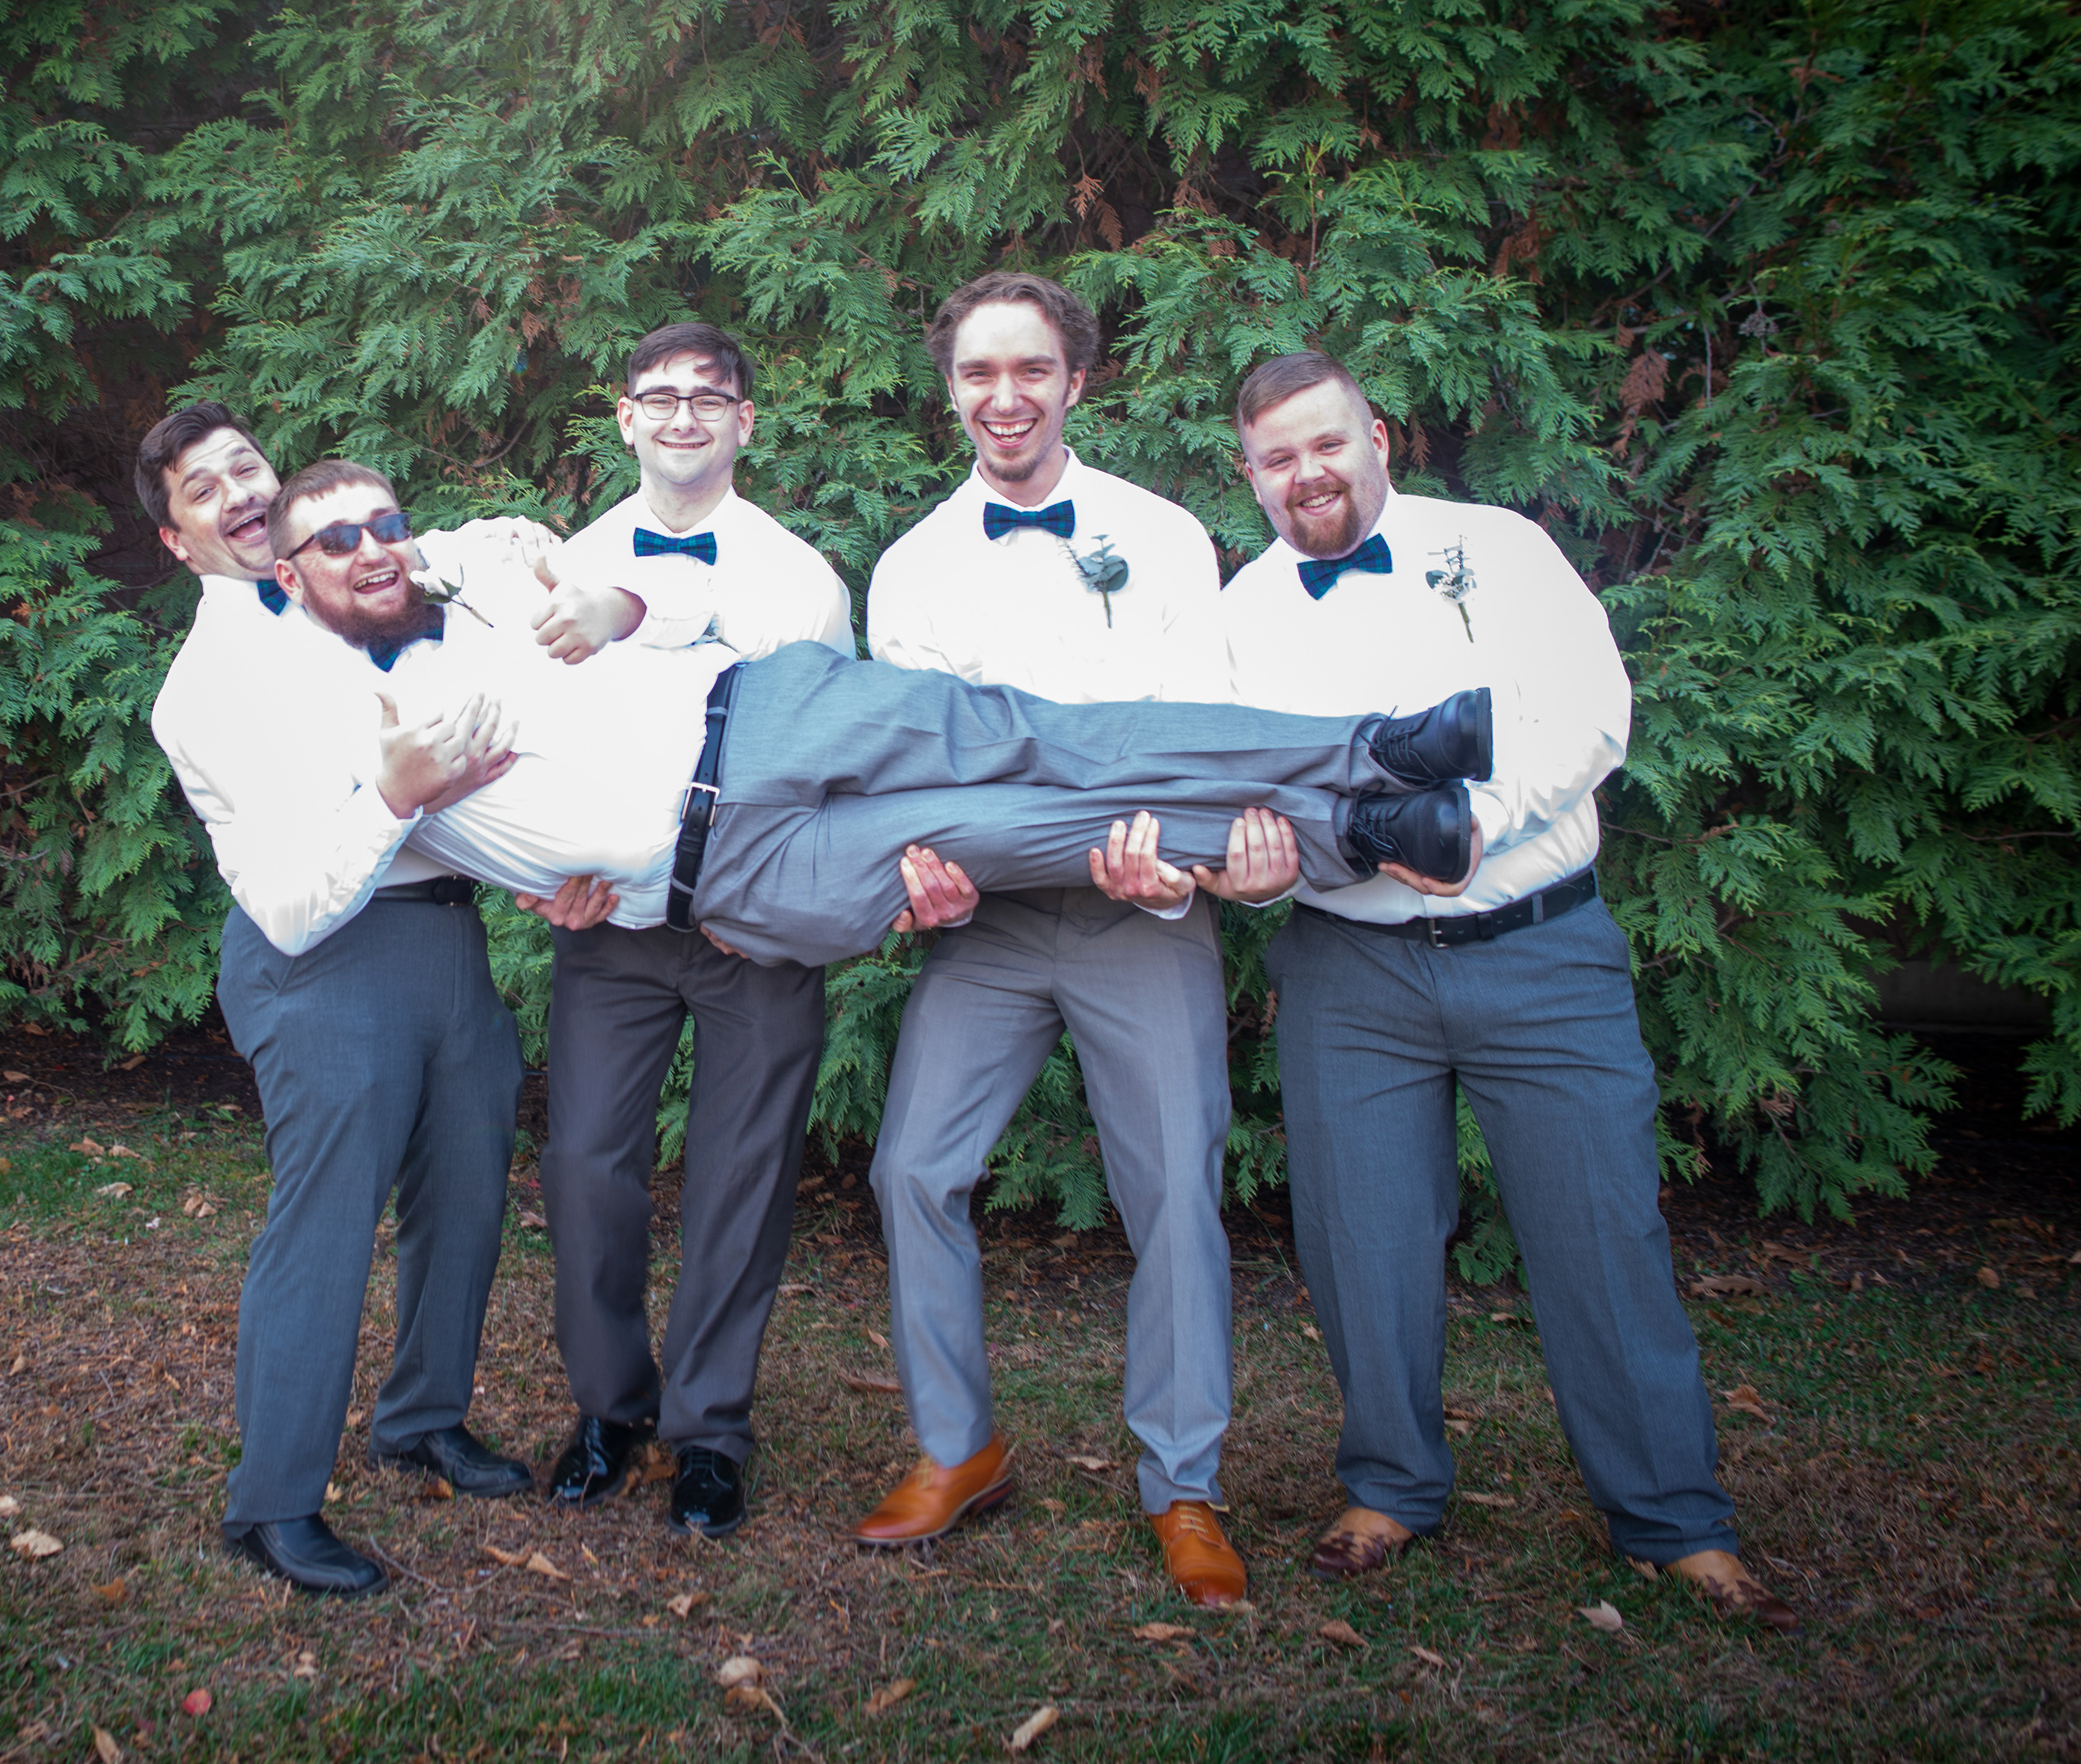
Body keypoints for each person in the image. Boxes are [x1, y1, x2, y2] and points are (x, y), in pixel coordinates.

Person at [1215, 350, 1798, 1632]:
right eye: (1277, 458)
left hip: (1541, 950)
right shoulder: (1242, 612)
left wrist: (1477, 823)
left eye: (1327, 443)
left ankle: (1672, 1516)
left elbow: (1592, 713)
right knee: (1361, 1240)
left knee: (1602, 1229)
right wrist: (1253, 880)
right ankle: (1390, 1484)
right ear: (1249, 476)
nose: (1308, 474)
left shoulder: (1499, 548)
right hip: (1349, 969)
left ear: (1378, 436)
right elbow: (1248, 798)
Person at [246, 458, 1494, 973]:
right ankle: (1369, 833)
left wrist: (583, 589)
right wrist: (396, 799)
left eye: (384, 523)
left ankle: (1379, 749)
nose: (373, 548)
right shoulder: (325, 724)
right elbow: (293, 913)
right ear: (288, 577)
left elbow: (665, 592)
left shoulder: (480, 570)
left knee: (1051, 736)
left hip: (766, 712)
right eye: (336, 541)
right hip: (733, 875)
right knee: (1045, 833)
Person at [139, 402, 646, 1598]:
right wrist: (400, 798)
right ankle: (272, 1504)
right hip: (322, 965)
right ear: (176, 539)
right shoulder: (207, 685)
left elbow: (485, 593)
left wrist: (535, 863)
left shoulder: (344, 591)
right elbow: (292, 898)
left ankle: (422, 1418)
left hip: (444, 940)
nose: (239, 493)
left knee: (465, 1198)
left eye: (246, 467)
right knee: (324, 1227)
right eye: (204, 490)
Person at [849, 271, 1277, 1607]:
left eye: (1031, 369)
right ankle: (957, 1446)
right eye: (980, 373)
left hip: (1142, 911)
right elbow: (922, 766)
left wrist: (1168, 868)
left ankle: (1185, 1483)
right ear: (950, 391)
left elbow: (1197, 725)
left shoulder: (1162, 536)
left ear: (1076, 382)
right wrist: (931, 876)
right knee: (914, 1169)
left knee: (1176, 1197)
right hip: (987, 926)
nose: (1006, 396)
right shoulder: (912, 567)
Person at [511, 324, 858, 1539]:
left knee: (739, 1181)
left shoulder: (803, 580)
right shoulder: (566, 568)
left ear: (746, 421)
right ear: (623, 417)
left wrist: (798, 902)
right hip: (611, 927)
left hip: (755, 934)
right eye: (657, 396)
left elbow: (837, 760)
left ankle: (710, 1430)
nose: (682, 416)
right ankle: (610, 1407)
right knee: (585, 1166)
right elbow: (530, 743)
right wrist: (533, 873)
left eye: (709, 398)